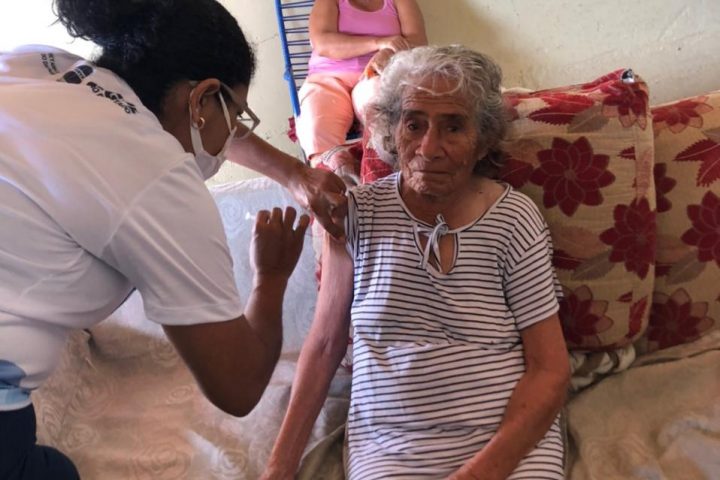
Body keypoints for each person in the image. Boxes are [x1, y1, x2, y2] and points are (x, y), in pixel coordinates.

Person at [0, 0, 347, 478]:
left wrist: (293, 173)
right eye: (236, 118)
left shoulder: (36, 63)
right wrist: (270, 278)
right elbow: (238, 387)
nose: (230, 140)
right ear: (202, 100)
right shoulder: (161, 182)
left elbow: (173, 125)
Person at [263, 45, 571, 480]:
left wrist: (477, 474)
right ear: (392, 131)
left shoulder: (514, 218)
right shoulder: (354, 214)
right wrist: (278, 468)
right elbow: (326, 345)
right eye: (414, 124)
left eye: (453, 127)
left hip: (506, 442)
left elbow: (550, 368)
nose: (430, 147)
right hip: (391, 446)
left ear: (483, 138)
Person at [295, 0, 427, 174]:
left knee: (385, 119)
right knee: (316, 124)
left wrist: (389, 52)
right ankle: (334, 178)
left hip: (376, 74)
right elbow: (322, 44)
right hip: (327, 78)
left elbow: (418, 43)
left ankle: (380, 177)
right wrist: (379, 43)